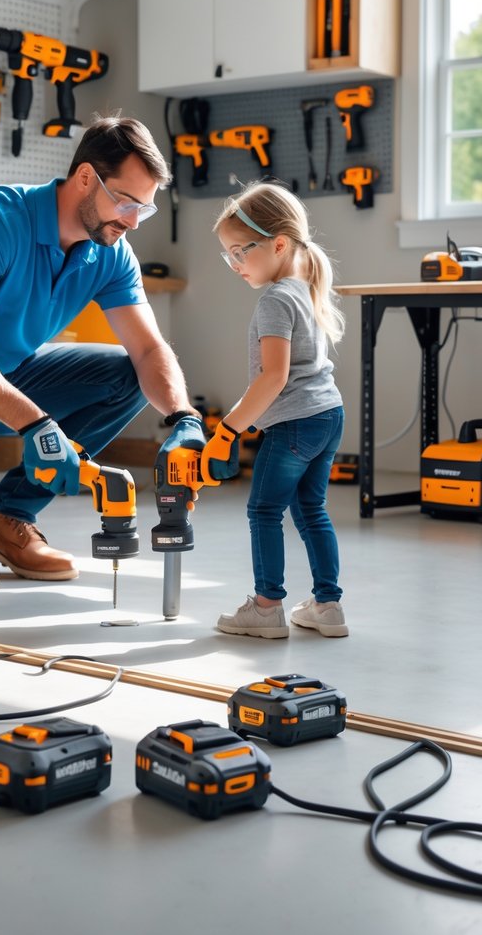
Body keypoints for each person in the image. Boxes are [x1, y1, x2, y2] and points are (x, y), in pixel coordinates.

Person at [0, 115, 205, 593]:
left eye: (145, 209)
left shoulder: (111, 251)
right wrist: (37, 424)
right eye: (126, 202)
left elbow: (149, 348)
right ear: (86, 178)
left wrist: (184, 419)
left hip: (11, 373)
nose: (133, 220)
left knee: (129, 375)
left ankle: (8, 514)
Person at [200, 181, 348, 639]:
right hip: (328, 415)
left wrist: (227, 431)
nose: (234, 265)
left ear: (278, 244)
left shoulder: (275, 300)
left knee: (264, 510)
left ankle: (266, 608)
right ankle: (328, 606)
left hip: (294, 424)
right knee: (311, 511)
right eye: (228, 255)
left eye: (240, 252)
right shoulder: (303, 289)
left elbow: (273, 377)